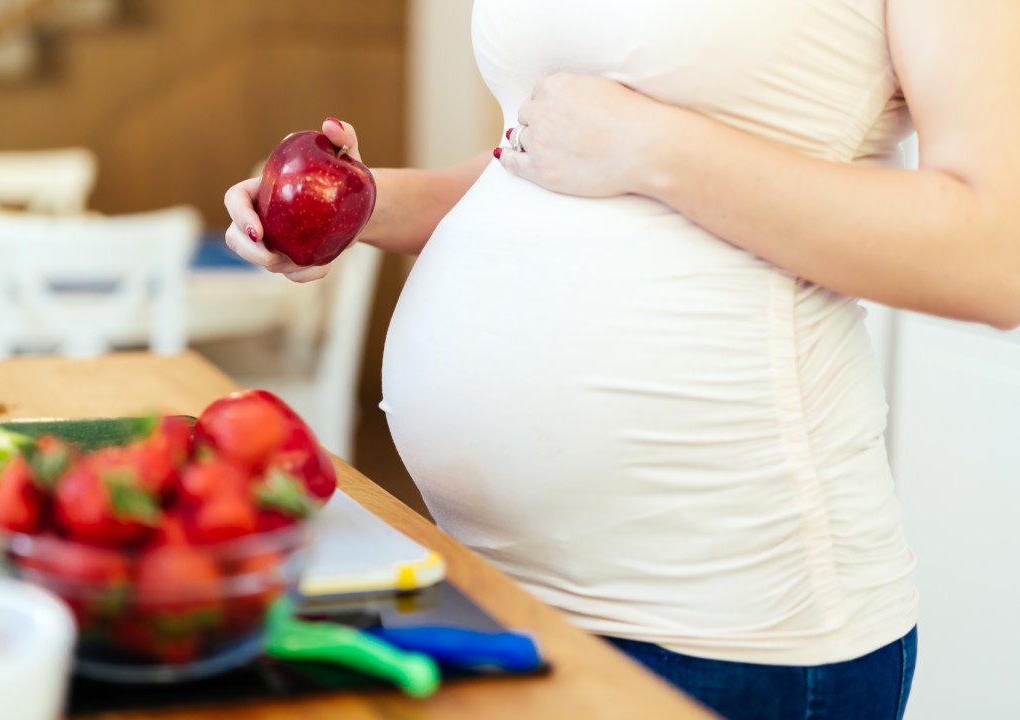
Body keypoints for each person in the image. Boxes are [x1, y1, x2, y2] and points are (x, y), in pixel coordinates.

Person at [223, 1, 1019, 717]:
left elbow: (994, 254)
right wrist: (357, 202)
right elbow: (540, 157)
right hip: (489, 587)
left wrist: (655, 147)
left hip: (720, 637)